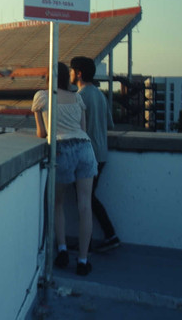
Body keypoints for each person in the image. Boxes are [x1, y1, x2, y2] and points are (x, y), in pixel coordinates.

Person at [32, 62, 98, 276]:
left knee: (57, 202)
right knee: (85, 206)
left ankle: (62, 250)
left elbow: (42, 133)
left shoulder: (42, 97)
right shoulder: (77, 98)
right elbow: (83, 129)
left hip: (62, 149)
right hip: (85, 148)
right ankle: (83, 260)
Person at [69, 56, 120, 252]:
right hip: (101, 154)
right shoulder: (100, 95)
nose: (70, 73)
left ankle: (106, 236)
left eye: (72, 70)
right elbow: (110, 124)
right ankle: (97, 238)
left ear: (79, 73)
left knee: (86, 199)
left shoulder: (79, 97)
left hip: (87, 155)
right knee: (88, 198)